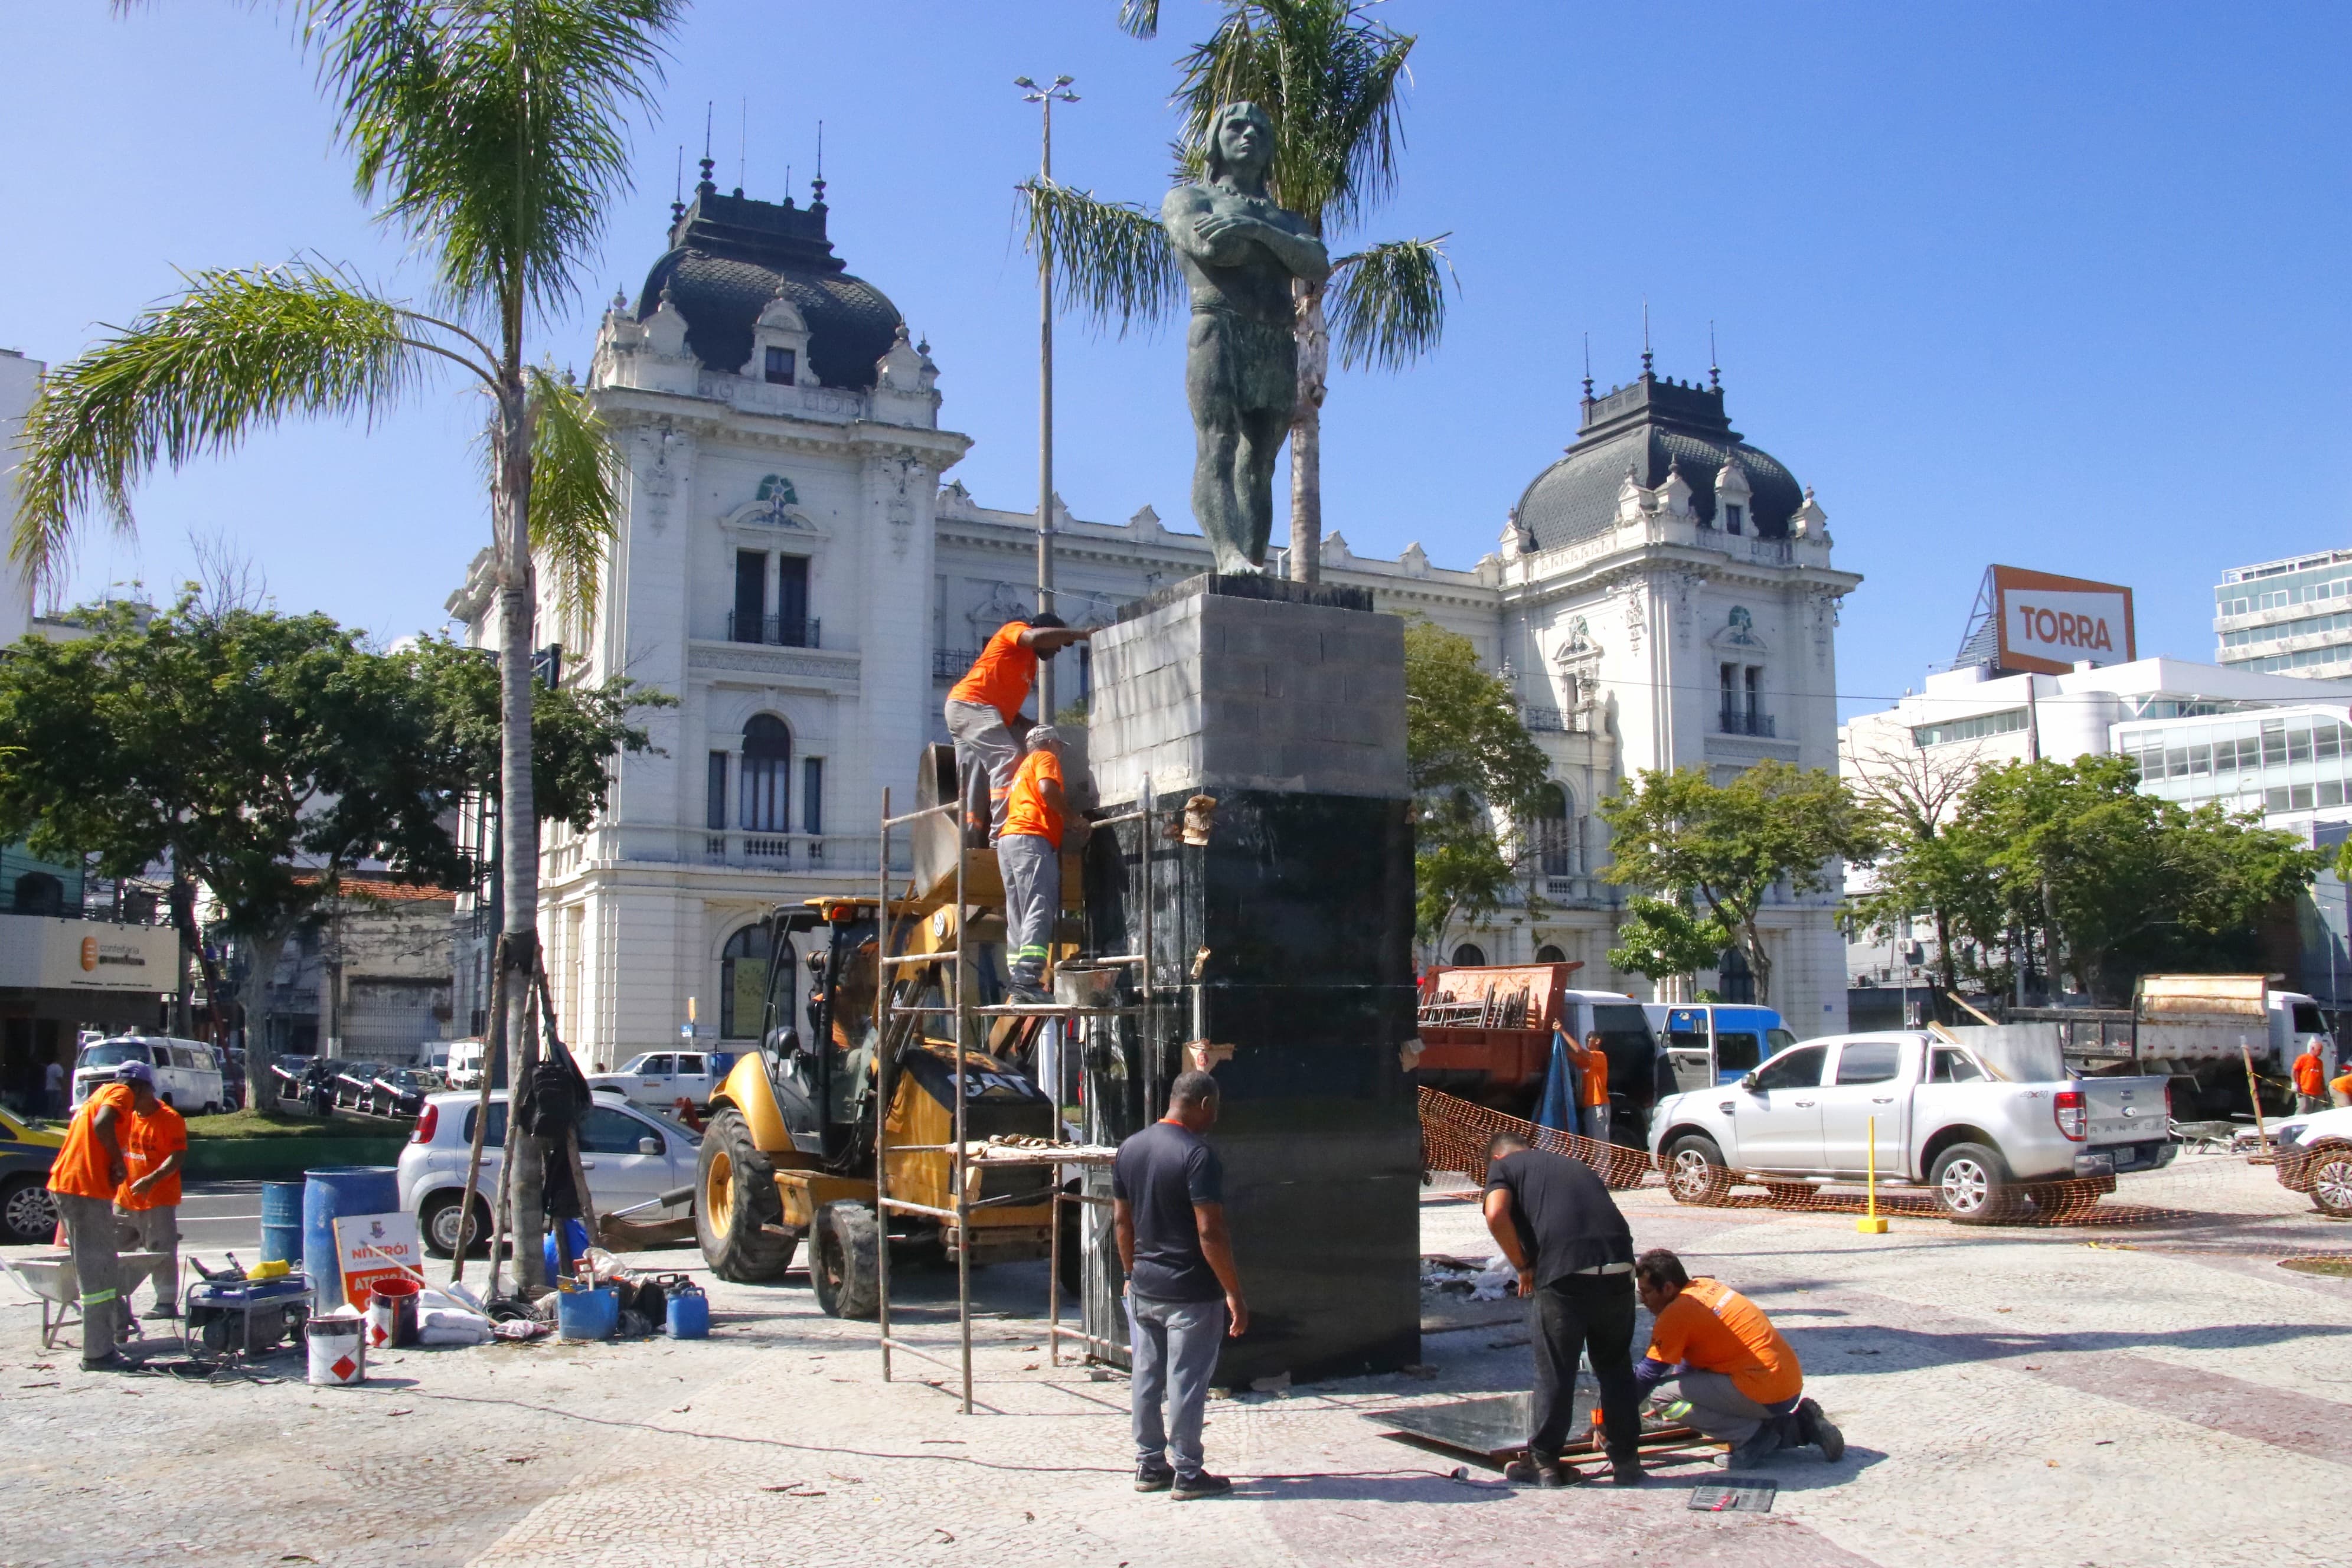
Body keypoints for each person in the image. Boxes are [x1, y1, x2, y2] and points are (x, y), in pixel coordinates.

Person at [1113, 1070, 1247, 1501]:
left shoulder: (1130, 1148)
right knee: (1187, 1382)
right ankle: (1188, 1472)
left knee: (1146, 1378)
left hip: (1145, 1288)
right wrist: (1234, 1293)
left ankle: (1149, 1464)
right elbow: (1211, 1232)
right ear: (1204, 1105)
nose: (1215, 1118)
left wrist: (1131, 1275)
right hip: (1190, 1293)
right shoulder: (1198, 1155)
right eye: (1216, 1109)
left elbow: (1121, 1221)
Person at [1482, 1130, 1642, 1487]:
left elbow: (1495, 1214)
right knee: (1616, 1366)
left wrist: (1523, 1266)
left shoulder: (1504, 1167)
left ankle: (1544, 1464)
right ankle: (1628, 1462)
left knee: (1556, 1366)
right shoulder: (1571, 1163)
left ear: (1497, 1158)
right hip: (1619, 1264)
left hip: (1566, 1270)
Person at [1632, 1248, 1843, 1469]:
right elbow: (1691, 1352)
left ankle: (1752, 1437)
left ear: (1667, 1288)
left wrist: (1611, 1417)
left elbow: (1646, 1375)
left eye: (1645, 1293)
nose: (1643, 1301)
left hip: (1763, 1391)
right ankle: (1802, 1426)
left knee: (1660, 1396)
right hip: (1788, 1384)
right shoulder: (1705, 1287)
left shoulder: (1676, 1314)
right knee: (1679, 1390)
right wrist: (1682, 1388)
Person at [945, 615, 1090, 845]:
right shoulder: (1016, 630)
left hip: (969, 710)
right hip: (972, 705)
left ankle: (968, 843)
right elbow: (1033, 637)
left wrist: (1025, 722)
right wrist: (1080, 634)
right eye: (1058, 644)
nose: (1058, 651)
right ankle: (1003, 835)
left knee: (975, 779)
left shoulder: (1028, 666)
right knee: (1008, 758)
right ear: (1046, 632)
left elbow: (1005, 703)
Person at [46, 1061, 143, 1368]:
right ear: (140, 1086)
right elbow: (104, 1124)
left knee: (97, 1268)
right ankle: (98, 1353)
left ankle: (104, 1341)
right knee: (97, 1274)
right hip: (84, 1190)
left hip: (73, 1186)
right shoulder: (121, 1093)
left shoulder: (98, 1093)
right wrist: (117, 1163)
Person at [999, 726, 1069, 1003]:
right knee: (1039, 905)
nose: (1060, 751)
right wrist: (1073, 819)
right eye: (1059, 745)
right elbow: (1047, 789)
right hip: (1032, 839)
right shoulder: (1045, 758)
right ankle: (1027, 979)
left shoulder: (1021, 770)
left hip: (1010, 842)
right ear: (1049, 742)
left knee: (1018, 913)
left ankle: (1019, 981)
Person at [115, 1068, 188, 1321]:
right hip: (124, 1199)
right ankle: (113, 1300)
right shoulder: (126, 1115)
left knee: (161, 1252)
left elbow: (177, 1156)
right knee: (115, 1250)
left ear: (144, 1090)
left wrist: (151, 1179)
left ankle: (166, 1302)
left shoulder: (170, 1119)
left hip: (158, 1200)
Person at [1577, 1031, 1612, 1145]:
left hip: (1599, 1105)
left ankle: (1603, 1164)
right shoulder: (1586, 1061)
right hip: (1589, 1106)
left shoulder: (1600, 1056)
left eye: (1589, 1038)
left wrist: (1562, 1032)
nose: (1587, 1040)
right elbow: (1574, 1055)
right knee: (1592, 1144)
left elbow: (1579, 1051)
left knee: (1599, 1146)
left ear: (1598, 1041)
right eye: (1586, 1038)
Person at [2294, 1043, 2327, 1115]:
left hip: (2318, 1091)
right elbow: (2294, 1071)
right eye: (2319, 1050)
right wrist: (2295, 1084)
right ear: (2312, 1049)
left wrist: (2324, 1090)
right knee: (2303, 1110)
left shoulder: (2320, 1062)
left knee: (2318, 1112)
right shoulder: (2303, 1058)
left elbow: (2321, 1077)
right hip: (2304, 1090)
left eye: (2321, 1050)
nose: (2321, 1052)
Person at [44, 1053, 66, 1121]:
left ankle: (55, 1117)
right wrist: (64, 1086)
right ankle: (51, 1117)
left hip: (49, 1088)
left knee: (52, 1104)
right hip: (55, 1089)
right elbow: (59, 1078)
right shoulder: (58, 1068)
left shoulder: (49, 1067)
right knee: (55, 1105)